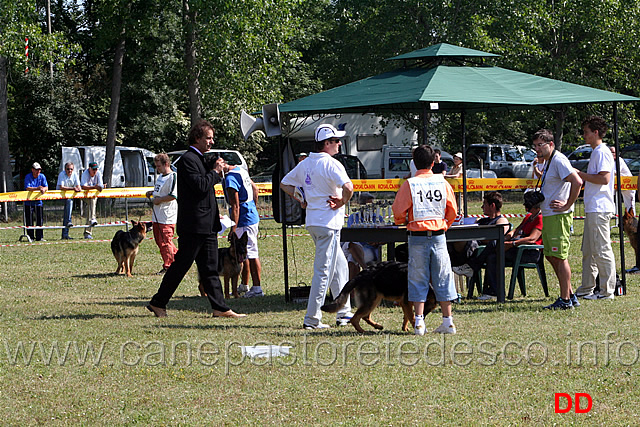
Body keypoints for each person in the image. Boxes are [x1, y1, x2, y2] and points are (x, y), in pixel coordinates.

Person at [147, 120, 246, 319]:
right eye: (208, 138)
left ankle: (220, 308)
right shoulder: (187, 160)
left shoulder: (200, 159)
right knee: (181, 266)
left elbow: (208, 182)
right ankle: (158, 303)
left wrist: (221, 168)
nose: (211, 142)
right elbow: (200, 186)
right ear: (197, 138)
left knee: (210, 267)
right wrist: (216, 173)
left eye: (212, 138)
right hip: (193, 226)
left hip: (208, 225)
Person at [280, 123, 354, 329]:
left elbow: (285, 183)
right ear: (327, 143)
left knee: (339, 267)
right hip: (328, 223)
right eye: (336, 140)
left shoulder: (306, 163)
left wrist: (301, 198)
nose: (339, 143)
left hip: (314, 221)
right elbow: (349, 187)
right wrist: (341, 202)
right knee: (324, 272)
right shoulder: (331, 164)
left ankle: (344, 312)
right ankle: (312, 319)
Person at [392, 145, 458, 335]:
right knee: (443, 277)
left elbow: (398, 211)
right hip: (438, 236)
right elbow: (452, 210)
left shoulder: (409, 184)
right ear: (433, 162)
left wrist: (402, 221)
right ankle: (448, 321)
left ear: (413, 163)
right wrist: (445, 224)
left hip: (417, 237)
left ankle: (419, 322)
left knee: (417, 278)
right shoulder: (443, 183)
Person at [532, 129, 583, 310]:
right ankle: (569, 294)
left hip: (558, 216)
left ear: (551, 144)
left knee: (560, 257)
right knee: (550, 255)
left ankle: (565, 300)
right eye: (535, 145)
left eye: (541, 145)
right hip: (549, 215)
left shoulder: (559, 160)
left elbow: (577, 182)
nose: (537, 149)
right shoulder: (548, 161)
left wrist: (568, 204)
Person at [575, 116, 616, 301]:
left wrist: (580, 174)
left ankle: (607, 291)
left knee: (601, 249)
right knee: (589, 251)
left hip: (600, 208)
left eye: (586, 132)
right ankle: (586, 288)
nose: (584, 135)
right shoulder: (596, 152)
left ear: (596, 132)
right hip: (593, 208)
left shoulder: (601, 152)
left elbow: (604, 178)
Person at [224, 161, 263, 298]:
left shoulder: (230, 179)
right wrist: (253, 207)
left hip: (243, 219)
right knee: (244, 253)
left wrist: (232, 229)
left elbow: (235, 206)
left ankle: (257, 288)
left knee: (251, 252)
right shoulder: (241, 170)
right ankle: (245, 285)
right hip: (250, 214)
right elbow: (255, 189)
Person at [465, 192, 511, 300]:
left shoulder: (501, 220)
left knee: (492, 254)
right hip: (476, 250)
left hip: (493, 251)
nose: (482, 207)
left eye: (484, 204)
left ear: (492, 206)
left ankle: (472, 266)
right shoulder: (482, 221)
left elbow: (498, 236)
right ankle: (469, 266)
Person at [146, 153, 178, 275]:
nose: (157, 168)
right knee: (160, 241)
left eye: (159, 166)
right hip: (157, 215)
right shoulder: (160, 176)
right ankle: (178, 260)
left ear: (166, 164)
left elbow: (173, 195)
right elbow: (158, 191)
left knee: (165, 242)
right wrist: (152, 192)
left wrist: (159, 200)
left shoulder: (173, 177)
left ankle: (168, 266)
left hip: (167, 216)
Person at [341, 192, 382, 280]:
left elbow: (385, 238)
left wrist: (377, 241)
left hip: (369, 249)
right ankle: (365, 270)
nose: (372, 208)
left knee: (352, 258)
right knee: (352, 243)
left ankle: (352, 290)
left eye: (373, 205)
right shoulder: (353, 217)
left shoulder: (379, 218)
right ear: (361, 206)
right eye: (368, 205)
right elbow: (351, 234)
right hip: (354, 246)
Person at [23, 162, 48, 242]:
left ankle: (40, 237)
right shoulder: (28, 176)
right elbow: (27, 188)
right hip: (29, 202)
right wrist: (37, 188)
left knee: (39, 220)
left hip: (38, 202)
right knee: (29, 220)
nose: (38, 171)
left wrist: (44, 189)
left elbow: (46, 186)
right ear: (32, 170)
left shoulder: (42, 176)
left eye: (39, 170)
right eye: (36, 170)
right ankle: (30, 237)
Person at [57, 162, 81, 240]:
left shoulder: (74, 174)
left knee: (68, 208)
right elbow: (62, 187)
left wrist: (78, 188)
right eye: (68, 169)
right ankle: (68, 222)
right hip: (60, 196)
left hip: (70, 197)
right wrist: (73, 189)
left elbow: (78, 185)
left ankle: (65, 234)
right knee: (68, 204)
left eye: (71, 169)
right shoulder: (62, 174)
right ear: (65, 169)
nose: (69, 171)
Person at [80, 162, 103, 239]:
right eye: (93, 169)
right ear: (89, 169)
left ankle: (87, 232)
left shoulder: (98, 173)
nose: (95, 171)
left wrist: (101, 187)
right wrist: (95, 187)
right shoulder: (85, 174)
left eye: (96, 169)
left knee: (91, 206)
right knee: (92, 203)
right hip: (84, 195)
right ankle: (93, 219)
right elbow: (83, 186)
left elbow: (101, 185)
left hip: (93, 196)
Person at [610, 145, 635, 215]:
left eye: (613, 152)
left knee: (630, 202)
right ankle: (612, 213)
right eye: (610, 152)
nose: (612, 154)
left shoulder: (619, 160)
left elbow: (615, 172)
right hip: (618, 183)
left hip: (628, 183)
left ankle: (632, 215)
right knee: (610, 195)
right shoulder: (610, 162)